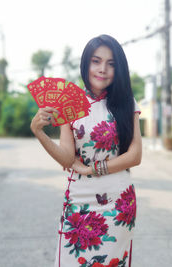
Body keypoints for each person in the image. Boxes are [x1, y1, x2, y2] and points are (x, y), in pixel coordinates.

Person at [30, 34, 142, 267]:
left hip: (118, 202)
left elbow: (135, 156)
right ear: (85, 64)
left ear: (118, 69)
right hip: (79, 200)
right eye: (96, 61)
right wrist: (39, 132)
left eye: (111, 64)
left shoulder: (126, 102)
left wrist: (91, 170)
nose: (102, 69)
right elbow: (67, 157)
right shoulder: (69, 102)